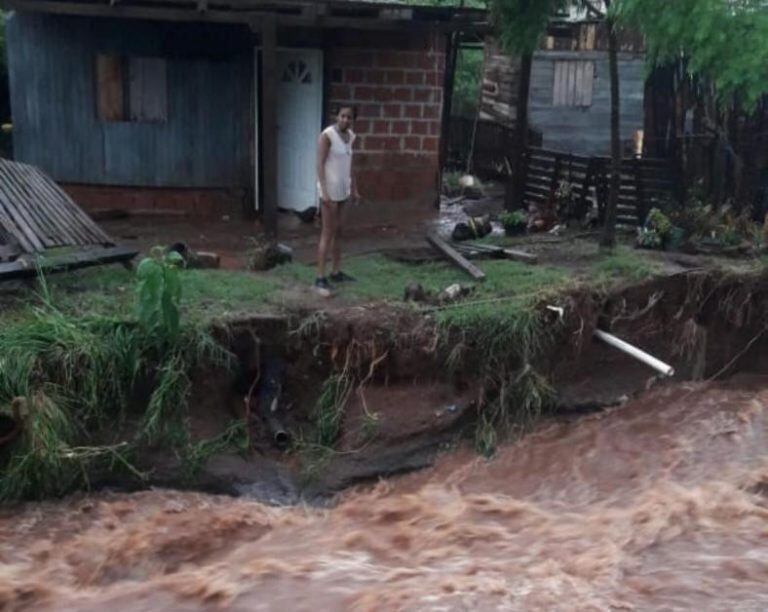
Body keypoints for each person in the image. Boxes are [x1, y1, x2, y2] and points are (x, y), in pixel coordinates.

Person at [315, 106, 360, 294]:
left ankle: (336, 271)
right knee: (328, 232)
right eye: (342, 116)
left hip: (343, 189)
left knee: (339, 231)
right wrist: (324, 192)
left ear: (352, 120)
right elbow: (319, 163)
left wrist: (355, 189)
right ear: (337, 116)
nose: (345, 120)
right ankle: (319, 277)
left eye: (349, 117)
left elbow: (350, 165)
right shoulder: (327, 135)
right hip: (329, 190)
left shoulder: (351, 137)